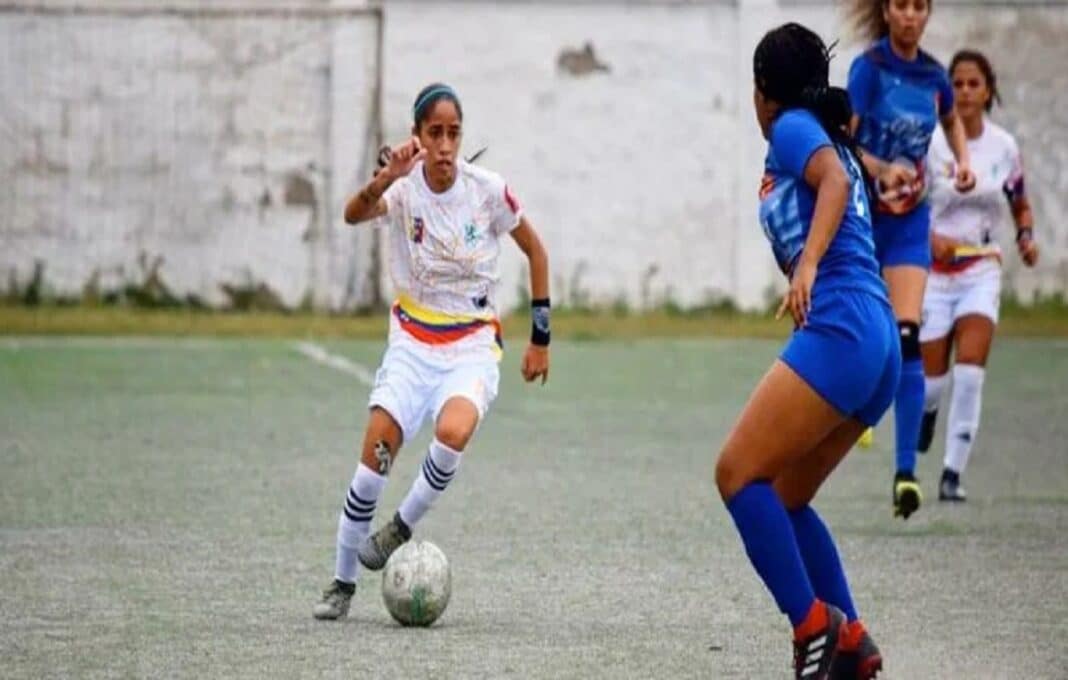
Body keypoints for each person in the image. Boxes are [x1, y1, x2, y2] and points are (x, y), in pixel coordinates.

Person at [312, 83, 551, 620]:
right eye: (434, 133)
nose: (445, 144)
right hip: (411, 345)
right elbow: (352, 215)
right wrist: (385, 177)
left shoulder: (486, 190)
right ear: (417, 136)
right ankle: (341, 582)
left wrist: (541, 336)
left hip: (471, 344)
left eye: (453, 133)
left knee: (454, 431)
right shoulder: (401, 190)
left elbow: (536, 250)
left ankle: (400, 526)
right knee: (373, 462)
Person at [715, 23, 895, 679]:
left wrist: (808, 265)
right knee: (786, 498)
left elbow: (836, 188)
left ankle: (814, 627)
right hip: (873, 337)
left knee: (736, 475)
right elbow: (845, 181)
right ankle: (851, 640)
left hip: (845, 322)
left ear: (763, 91)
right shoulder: (828, 135)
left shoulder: (791, 128)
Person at [846, 0, 976, 518]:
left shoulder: (933, 76)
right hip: (863, 216)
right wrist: (880, 167)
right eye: (902, 6)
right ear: (887, 11)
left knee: (906, 334)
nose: (911, 16)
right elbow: (844, 141)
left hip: (908, 223)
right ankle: (853, 414)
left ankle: (905, 473)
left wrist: (962, 164)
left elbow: (952, 122)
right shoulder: (869, 70)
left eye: (920, 7)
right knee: (860, 327)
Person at [919, 50, 1039, 501]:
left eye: (975, 84)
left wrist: (1025, 236)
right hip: (934, 273)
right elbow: (909, 203)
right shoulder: (930, 143)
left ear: (988, 91)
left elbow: (1019, 200)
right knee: (932, 383)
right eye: (959, 84)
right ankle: (926, 413)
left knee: (970, 372)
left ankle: (952, 474)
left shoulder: (1003, 147)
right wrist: (930, 241)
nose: (966, 92)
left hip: (980, 269)